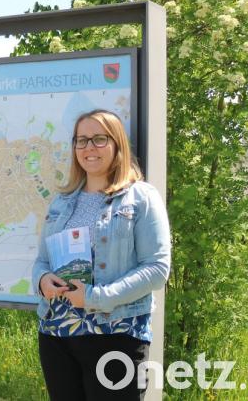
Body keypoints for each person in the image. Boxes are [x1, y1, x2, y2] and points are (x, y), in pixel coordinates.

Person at [32, 109, 171, 400]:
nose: (88, 148)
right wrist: (42, 280)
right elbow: (43, 260)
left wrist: (96, 297)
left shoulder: (141, 197)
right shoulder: (62, 201)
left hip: (115, 335)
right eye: (81, 141)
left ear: (117, 144)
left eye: (98, 139)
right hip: (57, 335)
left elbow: (157, 269)